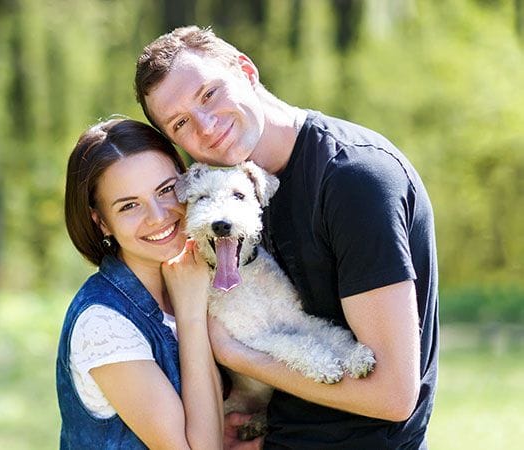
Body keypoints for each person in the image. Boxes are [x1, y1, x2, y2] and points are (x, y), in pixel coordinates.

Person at [134, 26, 439, 449]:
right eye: (181, 123)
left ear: (247, 70)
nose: (204, 127)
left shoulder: (354, 179)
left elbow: (392, 395)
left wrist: (239, 356)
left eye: (209, 94)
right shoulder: (232, 195)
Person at [57, 118, 224, 449]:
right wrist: (191, 313)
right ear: (101, 221)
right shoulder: (103, 324)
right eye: (129, 205)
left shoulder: (203, 273)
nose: (159, 215)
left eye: (166, 190)